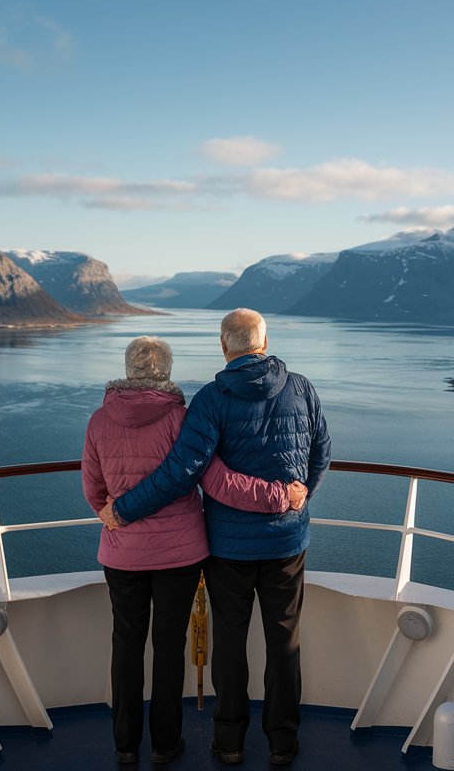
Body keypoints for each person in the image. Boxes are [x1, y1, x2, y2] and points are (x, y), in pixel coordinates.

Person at [104, 309, 330, 767]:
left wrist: (123, 508)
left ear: (225, 346)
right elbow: (321, 451)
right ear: (264, 343)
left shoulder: (210, 400)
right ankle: (283, 741)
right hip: (287, 541)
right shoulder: (302, 388)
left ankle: (229, 741)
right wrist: (295, 496)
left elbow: (194, 472)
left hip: (228, 546)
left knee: (230, 640)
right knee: (284, 639)